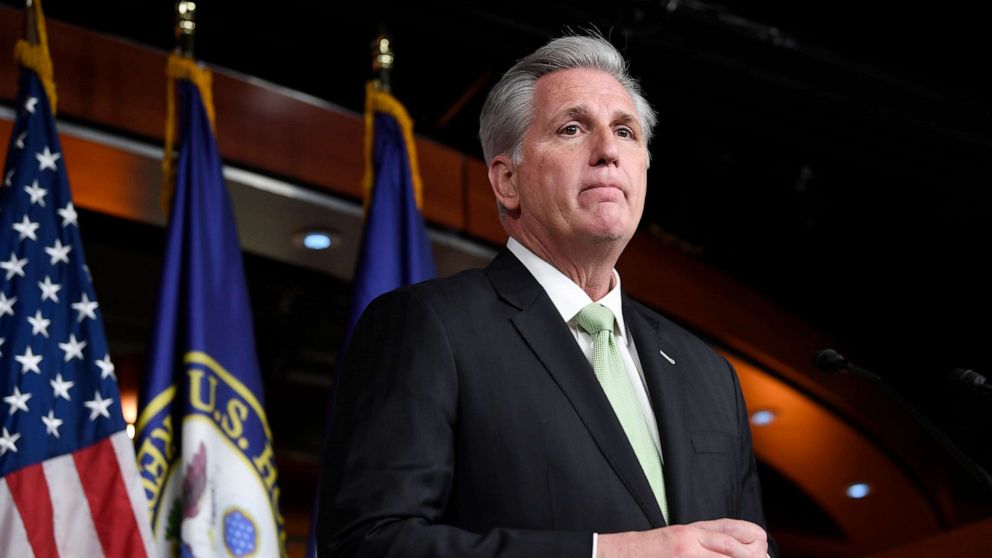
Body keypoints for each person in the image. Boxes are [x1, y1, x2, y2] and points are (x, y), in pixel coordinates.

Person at [317, 34, 774, 558]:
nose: (607, 151)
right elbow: (368, 543)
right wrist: (609, 554)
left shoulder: (708, 373)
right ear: (507, 181)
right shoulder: (430, 327)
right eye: (573, 128)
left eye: (625, 131)